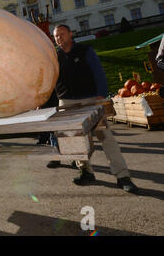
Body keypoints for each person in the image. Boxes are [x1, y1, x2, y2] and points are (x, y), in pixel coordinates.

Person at [51, 24, 138, 194]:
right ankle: (85, 171)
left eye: (62, 34)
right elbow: (50, 78)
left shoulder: (85, 50)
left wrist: (101, 95)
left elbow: (99, 73)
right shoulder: (54, 56)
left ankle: (123, 176)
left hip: (91, 100)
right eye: (56, 36)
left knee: (105, 137)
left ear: (70, 34)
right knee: (73, 141)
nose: (59, 38)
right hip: (67, 103)